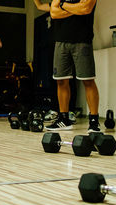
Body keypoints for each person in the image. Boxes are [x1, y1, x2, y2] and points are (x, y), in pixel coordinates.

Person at [45, 0, 100, 132]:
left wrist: (63, 6)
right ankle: (64, 119)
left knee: (88, 80)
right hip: (61, 40)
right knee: (61, 81)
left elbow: (85, 9)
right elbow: (53, 13)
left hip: (82, 40)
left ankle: (94, 122)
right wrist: (75, 9)